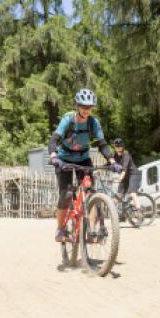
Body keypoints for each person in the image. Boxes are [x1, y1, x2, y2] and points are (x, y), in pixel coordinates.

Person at [48, 88, 121, 242]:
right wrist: (53, 156)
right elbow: (54, 139)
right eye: (83, 106)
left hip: (83, 159)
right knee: (67, 194)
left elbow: (102, 144)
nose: (87, 110)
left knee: (90, 192)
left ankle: (91, 231)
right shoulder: (68, 119)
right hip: (64, 160)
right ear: (78, 106)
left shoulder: (94, 123)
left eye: (89, 107)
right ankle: (60, 230)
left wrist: (112, 161)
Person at [112, 138, 142, 220]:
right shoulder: (115, 156)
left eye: (120, 146)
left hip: (133, 174)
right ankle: (121, 214)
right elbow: (109, 164)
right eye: (117, 146)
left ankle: (139, 214)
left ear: (123, 147)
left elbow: (124, 169)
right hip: (125, 177)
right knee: (118, 196)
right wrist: (98, 168)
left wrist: (120, 178)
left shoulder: (126, 154)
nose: (118, 148)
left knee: (132, 193)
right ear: (114, 147)